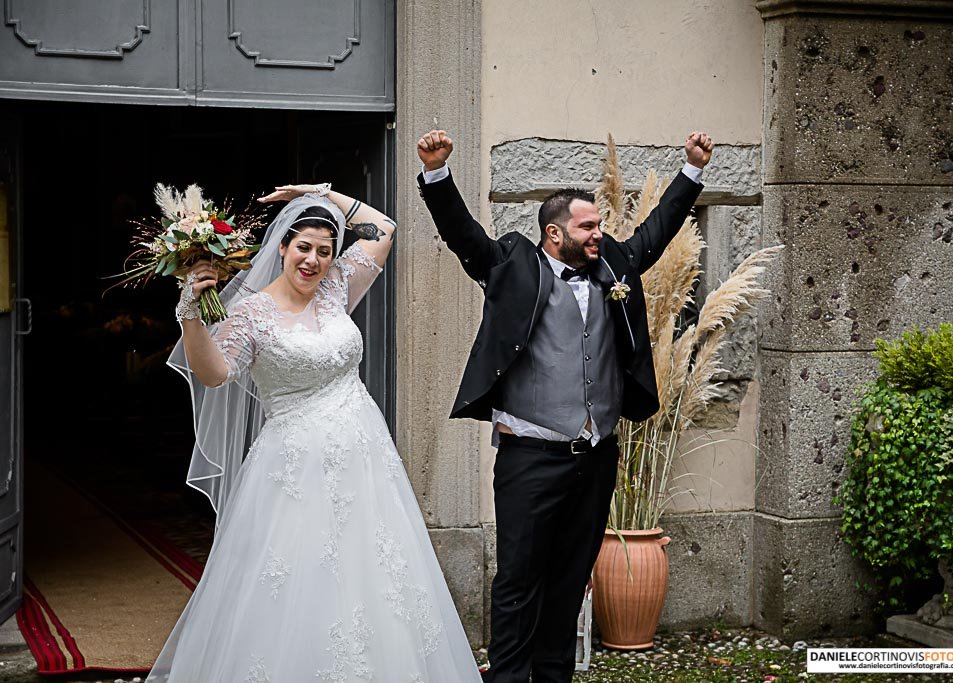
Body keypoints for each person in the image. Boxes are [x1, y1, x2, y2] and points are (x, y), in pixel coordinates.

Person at [148, 184, 481, 682]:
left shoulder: (336, 288)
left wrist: (319, 194)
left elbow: (384, 227)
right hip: (294, 470)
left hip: (365, 463)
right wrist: (191, 314)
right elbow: (216, 373)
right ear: (282, 246)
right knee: (300, 580)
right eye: (304, 247)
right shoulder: (251, 313)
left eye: (325, 251)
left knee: (375, 576)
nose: (314, 260)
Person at [416, 130, 713, 683]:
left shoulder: (615, 266)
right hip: (530, 454)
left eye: (600, 225)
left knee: (571, 577)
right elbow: (465, 238)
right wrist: (437, 174)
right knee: (518, 580)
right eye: (588, 226)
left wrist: (692, 170)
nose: (600, 233)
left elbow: (659, 229)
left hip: (596, 456)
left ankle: (555, 678)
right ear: (555, 234)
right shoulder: (513, 264)